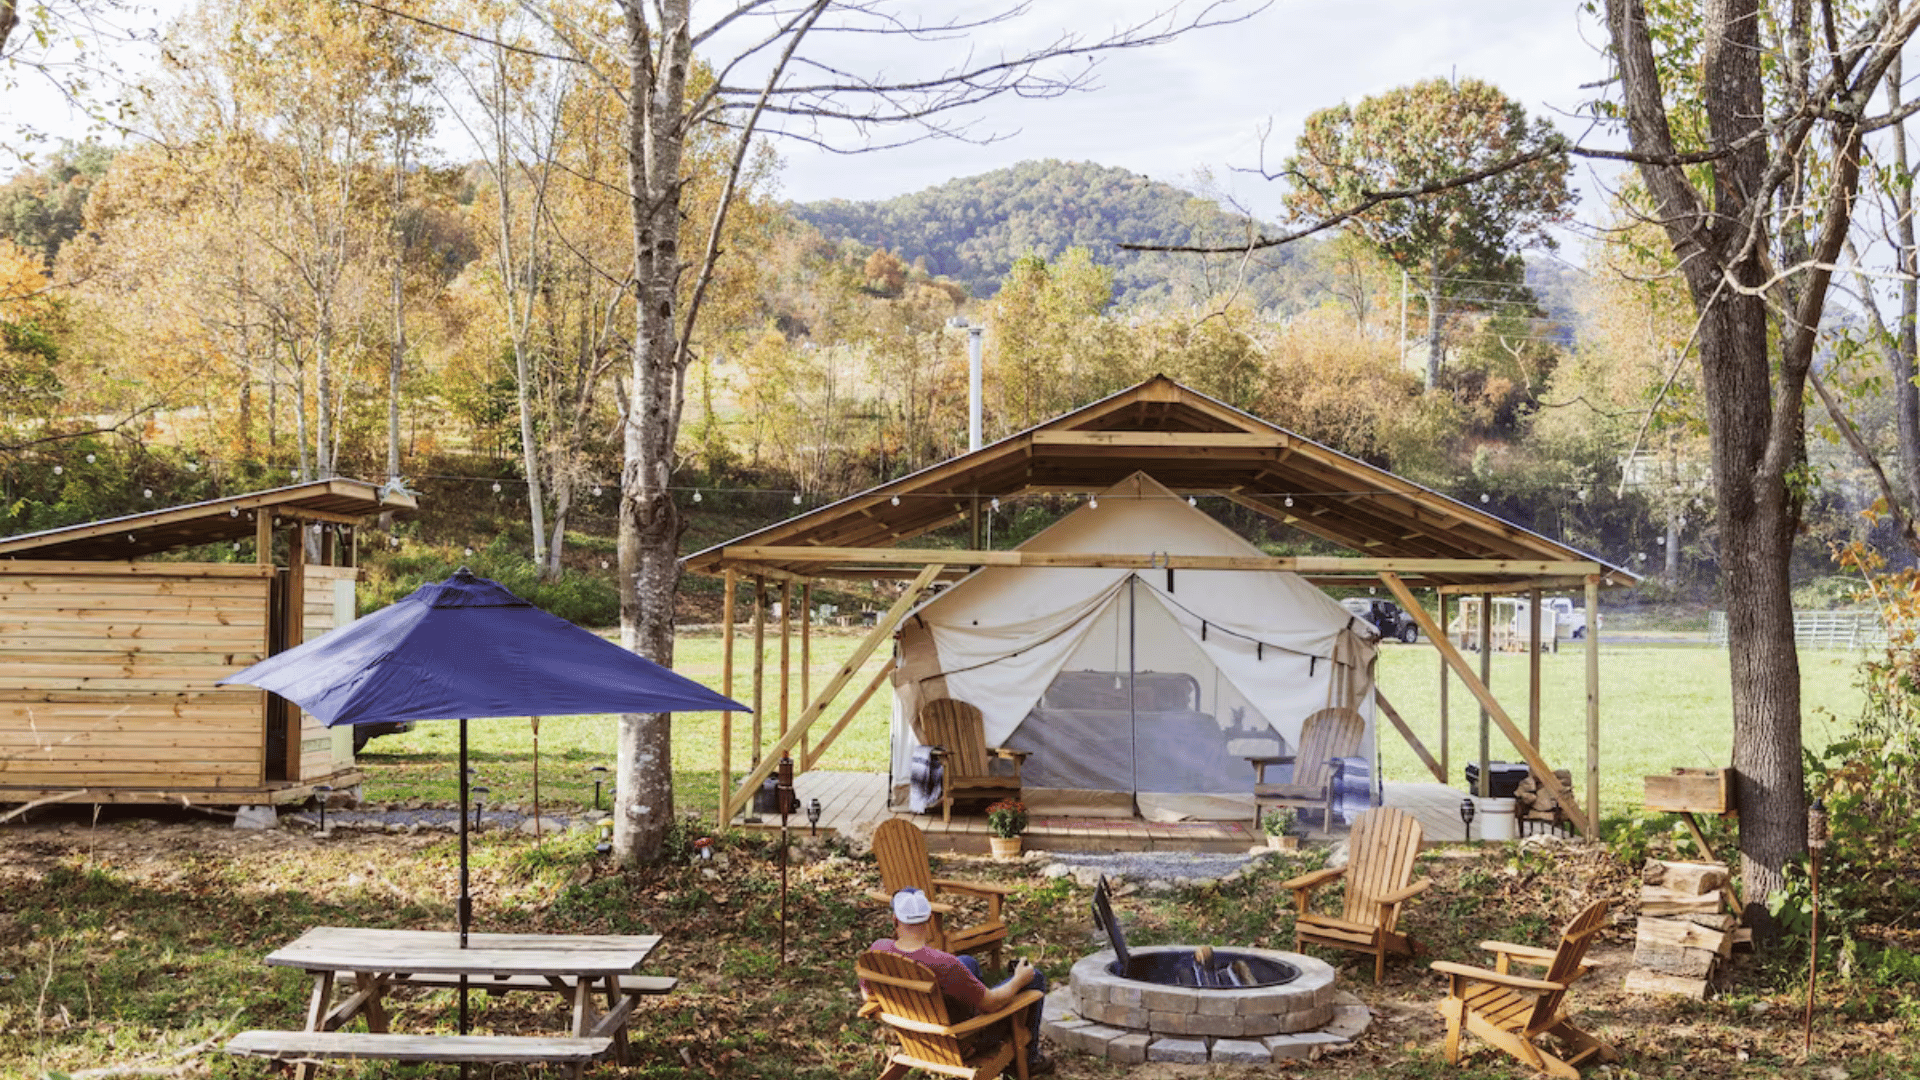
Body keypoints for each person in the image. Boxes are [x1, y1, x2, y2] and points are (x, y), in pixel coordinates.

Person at [862, 887, 1053, 1075]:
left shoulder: (877, 951)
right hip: (960, 1041)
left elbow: (868, 995)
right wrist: (1019, 980)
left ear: (895, 919)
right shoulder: (944, 964)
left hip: (915, 1038)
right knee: (1034, 977)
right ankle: (1029, 1061)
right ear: (929, 919)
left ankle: (972, 1001)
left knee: (967, 962)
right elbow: (992, 1003)